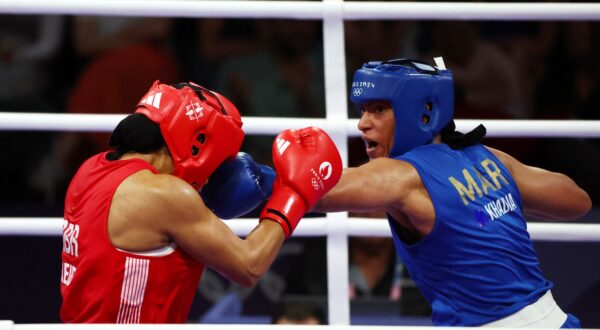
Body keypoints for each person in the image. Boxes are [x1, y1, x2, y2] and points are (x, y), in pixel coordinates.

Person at [313, 58, 592, 327]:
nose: (362, 123)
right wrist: (494, 199)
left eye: (378, 110)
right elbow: (578, 202)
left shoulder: (403, 174)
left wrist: (270, 180)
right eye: (362, 110)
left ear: (422, 112)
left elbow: (321, 189)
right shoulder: (489, 159)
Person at [60, 80, 342, 323]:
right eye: (219, 159)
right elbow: (248, 265)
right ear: (198, 143)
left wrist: (273, 181)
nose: (213, 175)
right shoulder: (164, 194)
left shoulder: (90, 170)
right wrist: (292, 195)